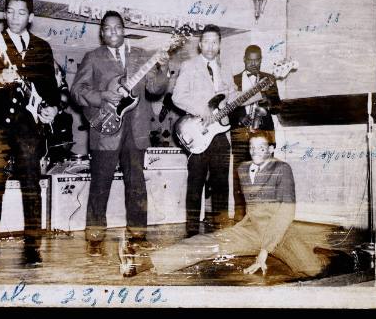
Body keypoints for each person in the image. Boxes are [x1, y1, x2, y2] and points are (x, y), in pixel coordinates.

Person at [119, 131, 351, 279]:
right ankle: (138, 263)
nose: (256, 153)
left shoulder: (283, 169)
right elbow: (253, 209)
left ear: (271, 149)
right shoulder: (242, 169)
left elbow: (285, 212)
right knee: (205, 244)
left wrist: (264, 251)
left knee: (311, 269)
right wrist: (238, 231)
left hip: (280, 233)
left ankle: (339, 256)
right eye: (252, 148)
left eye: (262, 148)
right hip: (251, 231)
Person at [0, 0, 59, 268]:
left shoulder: (43, 48)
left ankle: (33, 247)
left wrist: (51, 108)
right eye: (9, 11)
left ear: (31, 16)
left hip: (29, 129)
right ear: (4, 13)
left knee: (32, 187)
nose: (14, 17)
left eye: (21, 12)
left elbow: (51, 91)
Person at [71, 10, 169, 256]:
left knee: (136, 184)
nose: (113, 31)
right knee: (100, 184)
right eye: (107, 28)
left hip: (136, 130)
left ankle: (138, 234)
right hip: (105, 129)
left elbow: (155, 90)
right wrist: (102, 96)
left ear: (124, 30)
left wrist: (163, 69)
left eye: (117, 27)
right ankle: (94, 236)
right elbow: (77, 91)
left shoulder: (142, 56)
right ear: (102, 33)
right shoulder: (92, 57)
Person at [172, 24, 237, 236]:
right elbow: (177, 96)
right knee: (195, 183)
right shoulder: (189, 66)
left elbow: (233, 97)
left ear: (220, 45)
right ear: (200, 45)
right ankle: (191, 233)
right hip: (198, 133)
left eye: (215, 42)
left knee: (221, 185)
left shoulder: (225, 70)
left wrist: (246, 95)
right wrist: (202, 110)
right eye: (206, 41)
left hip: (220, 135)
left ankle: (221, 232)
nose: (210, 46)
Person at [229, 45, 281, 221]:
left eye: (257, 59)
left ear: (261, 59)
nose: (253, 63)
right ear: (244, 59)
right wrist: (239, 118)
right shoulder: (234, 80)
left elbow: (277, 107)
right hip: (241, 133)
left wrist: (267, 98)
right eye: (250, 59)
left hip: (263, 134)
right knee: (240, 176)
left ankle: (262, 218)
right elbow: (227, 108)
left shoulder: (269, 78)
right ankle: (240, 217)